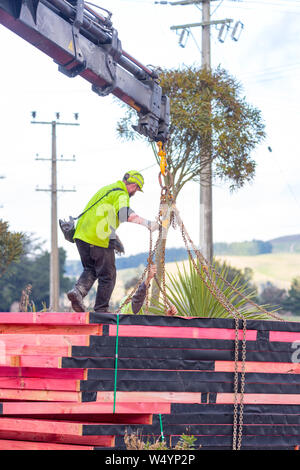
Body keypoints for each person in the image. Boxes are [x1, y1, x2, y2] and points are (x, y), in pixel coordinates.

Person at [67, 171, 159, 313]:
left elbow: (102, 215)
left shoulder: (107, 189)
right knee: (108, 275)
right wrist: (149, 224)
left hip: (80, 235)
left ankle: (77, 292)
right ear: (133, 186)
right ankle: (101, 310)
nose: (135, 193)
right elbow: (124, 214)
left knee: (90, 269)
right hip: (98, 238)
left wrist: (114, 237)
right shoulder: (122, 194)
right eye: (137, 190)